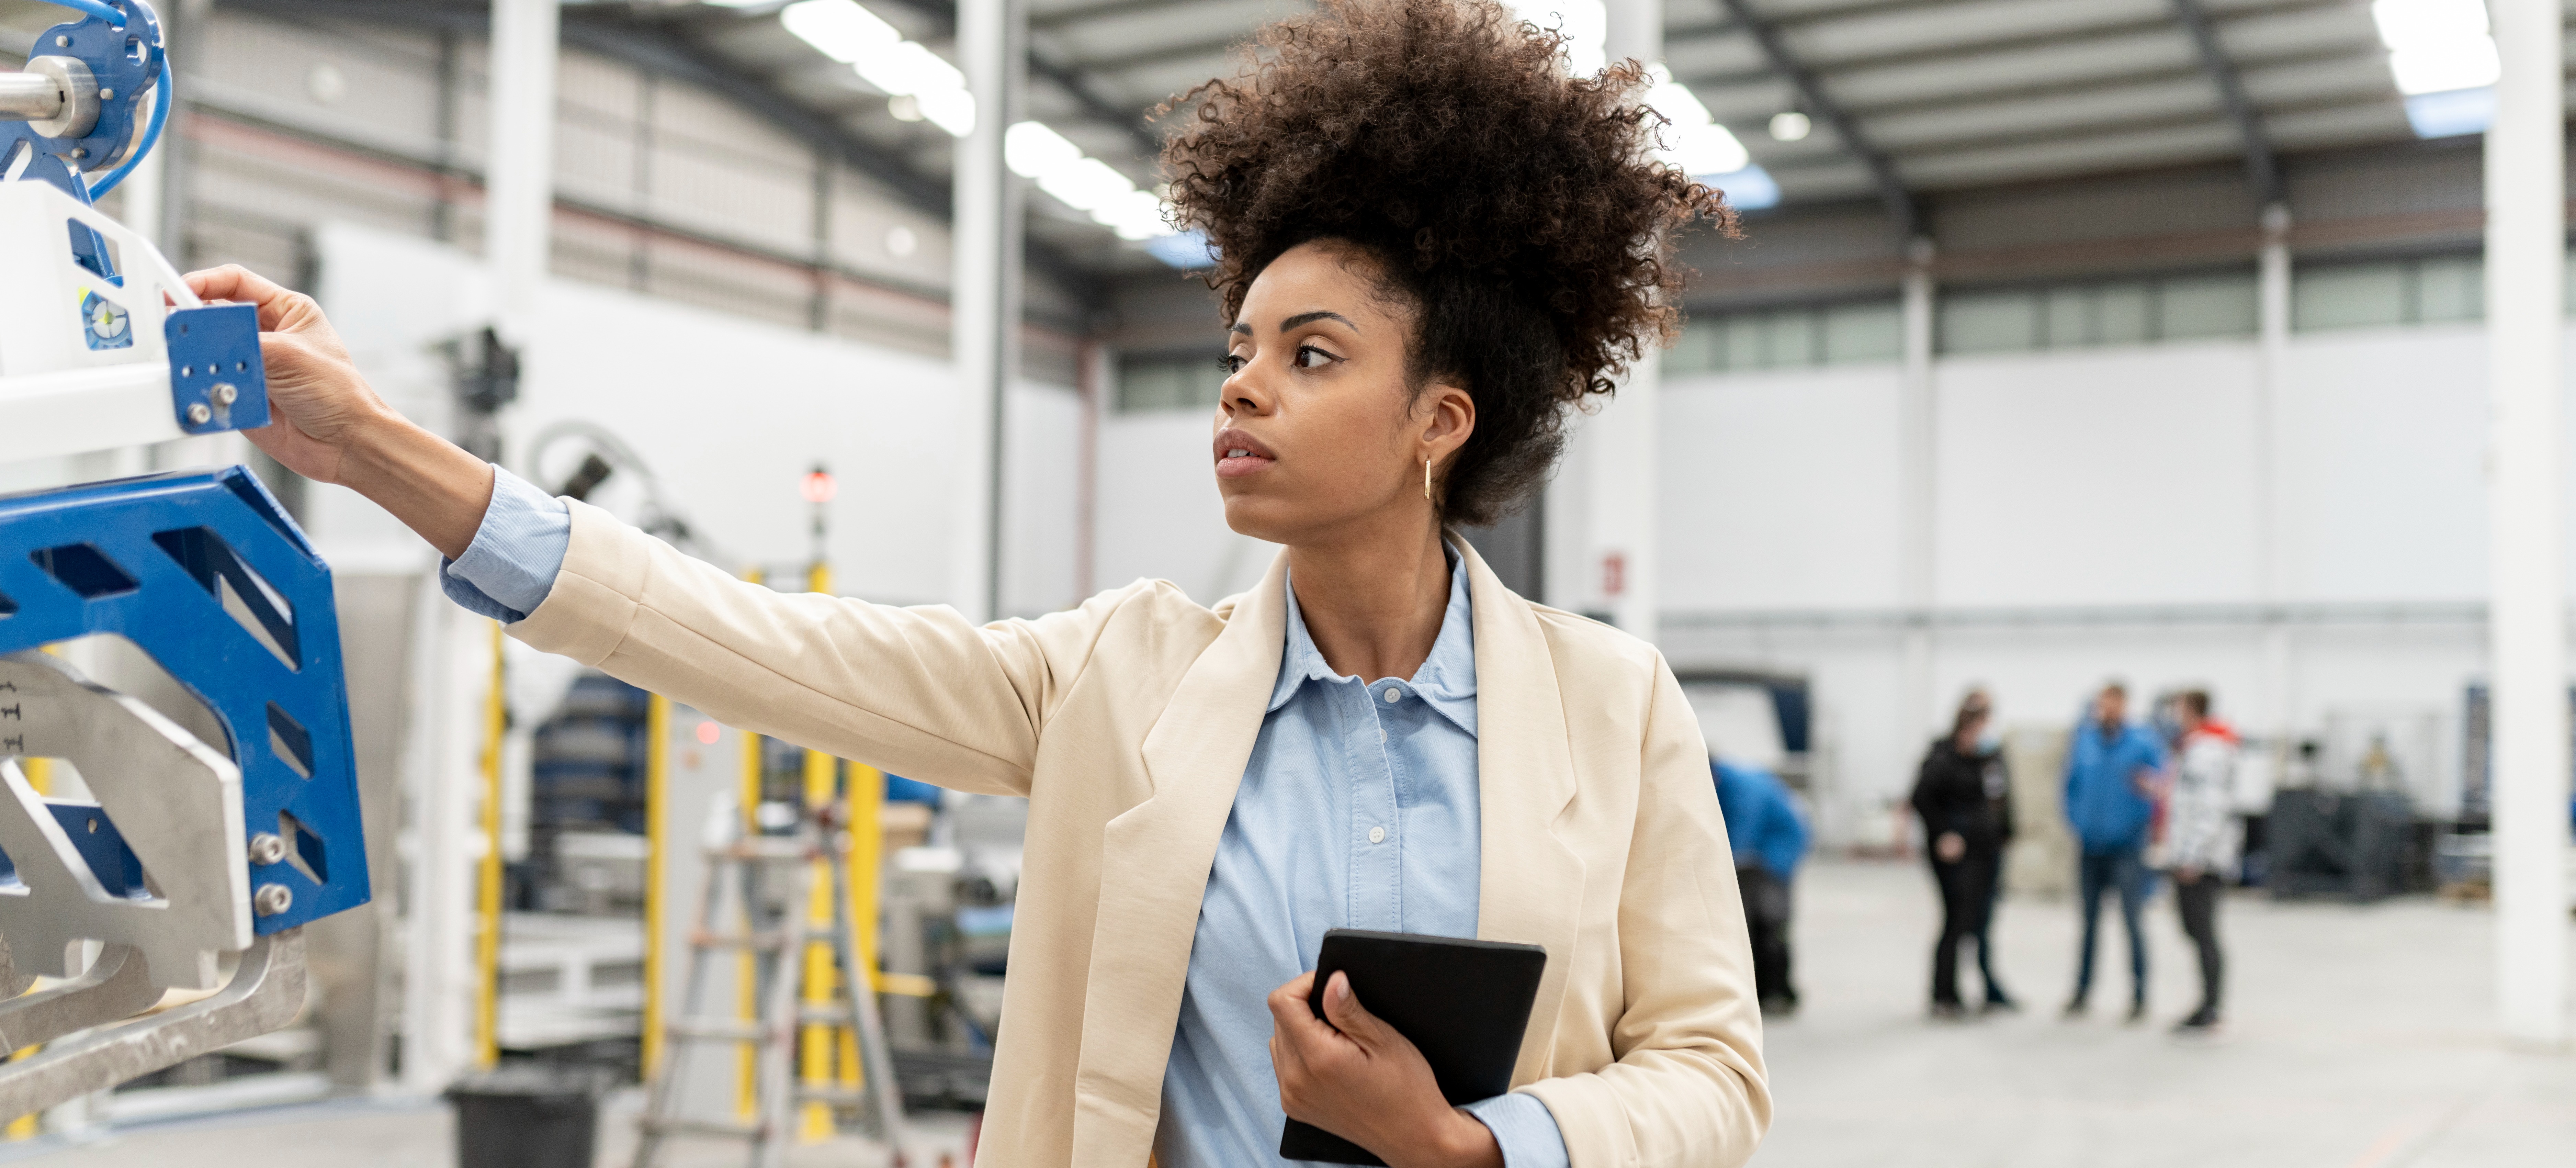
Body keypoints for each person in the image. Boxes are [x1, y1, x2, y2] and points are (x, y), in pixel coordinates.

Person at [183, 2, 1770, 1164]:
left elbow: (1710, 1070)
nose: (1239, 389)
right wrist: (380, 445)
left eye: (1309, 356)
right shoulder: (1117, 679)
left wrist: (1473, 1143)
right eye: (1236, 351)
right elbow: (744, 638)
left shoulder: (1609, 705)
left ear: (1440, 415)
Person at [2062, 681, 2166, 1022]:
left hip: (2127, 848)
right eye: (2102, 703)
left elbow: (2160, 787)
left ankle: (2139, 996)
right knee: (2089, 923)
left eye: (2113, 703)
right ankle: (2082, 991)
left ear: (2124, 705)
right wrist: (2078, 823)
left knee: (2132, 922)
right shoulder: (2085, 741)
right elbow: (2069, 787)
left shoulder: (2142, 743)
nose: (2106, 709)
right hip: (2090, 848)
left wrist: (2144, 810)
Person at [1910, 691, 2016, 1018]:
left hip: (1987, 852)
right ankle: (1944, 995)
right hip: (1956, 857)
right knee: (1956, 922)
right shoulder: (1943, 756)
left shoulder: (1990, 756)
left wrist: (2008, 833)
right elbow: (1921, 798)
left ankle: (1989, 990)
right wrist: (1944, 833)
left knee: (1981, 924)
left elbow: (2002, 799)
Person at [2165, 689, 2238, 1037]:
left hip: (2202, 862)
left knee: (2204, 933)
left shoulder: (2208, 752)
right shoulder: (2193, 749)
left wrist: (2193, 856)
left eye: (2179, 709)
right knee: (2195, 932)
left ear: (2192, 710)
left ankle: (2211, 1007)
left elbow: (2210, 809)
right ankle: (2207, 1003)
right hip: (2191, 856)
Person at [1713, 758, 1810, 1014]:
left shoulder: (1743, 788)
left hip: (1775, 858)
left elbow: (1741, 837)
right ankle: (1765, 991)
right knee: (1756, 924)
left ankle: (1778, 992)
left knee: (1770, 922)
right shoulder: (1725, 781)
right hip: (1759, 858)